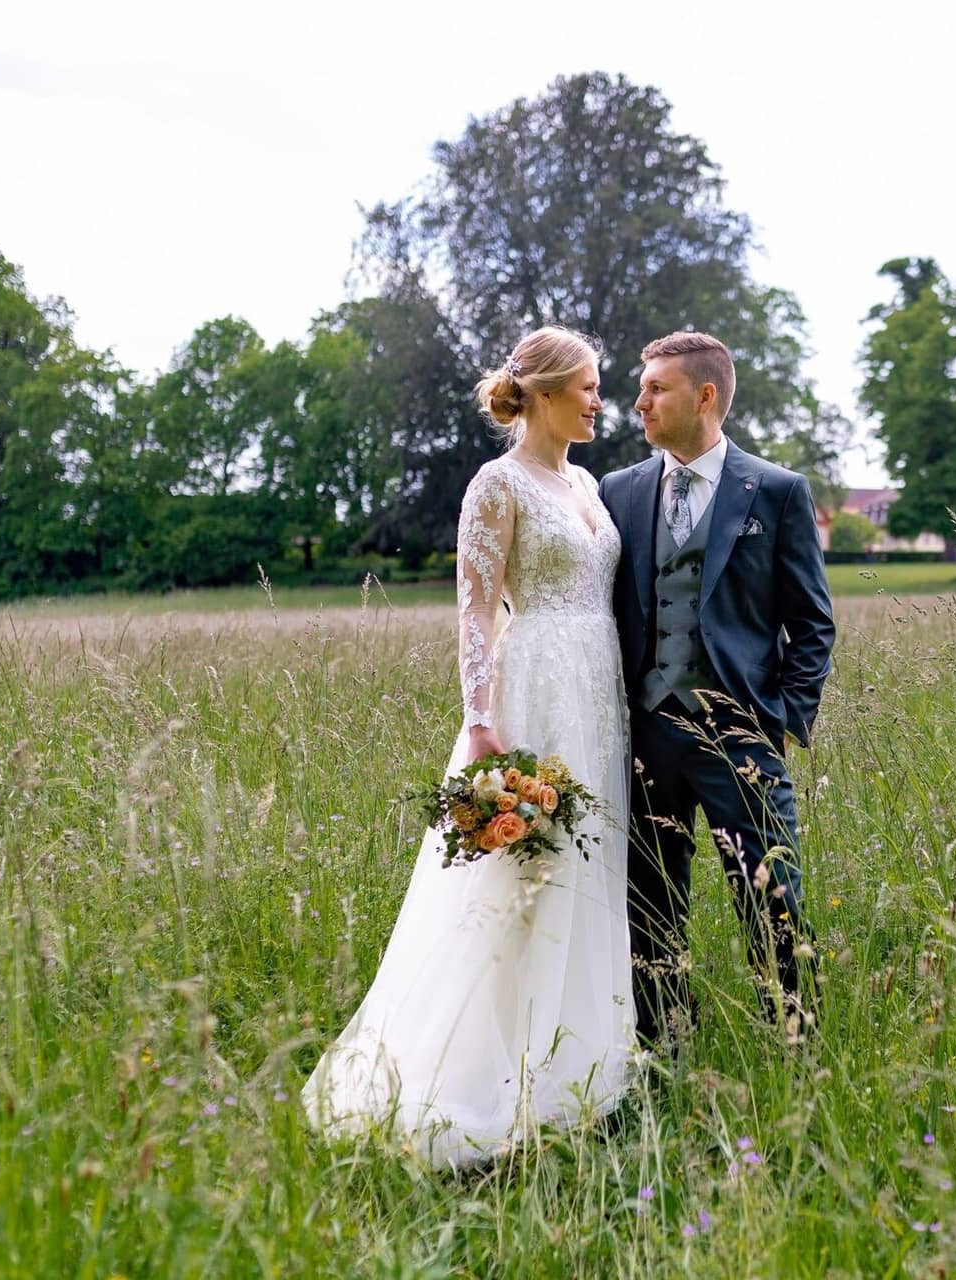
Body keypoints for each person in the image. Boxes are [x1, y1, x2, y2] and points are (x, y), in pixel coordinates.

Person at [302, 325, 634, 1166]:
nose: (602, 400)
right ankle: (476, 1079)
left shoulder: (587, 482)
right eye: (591, 385)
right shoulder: (497, 484)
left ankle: (577, 1073)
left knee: (588, 876)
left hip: (599, 693)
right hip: (532, 696)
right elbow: (476, 607)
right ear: (548, 392)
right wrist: (482, 721)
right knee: (521, 881)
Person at [598, 330, 836, 1048]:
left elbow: (812, 623)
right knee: (650, 905)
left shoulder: (777, 491)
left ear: (704, 396)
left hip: (740, 736)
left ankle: (795, 1044)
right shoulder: (618, 491)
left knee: (772, 899)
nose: (638, 402)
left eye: (656, 389)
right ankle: (664, 1044)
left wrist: (783, 722)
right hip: (645, 738)